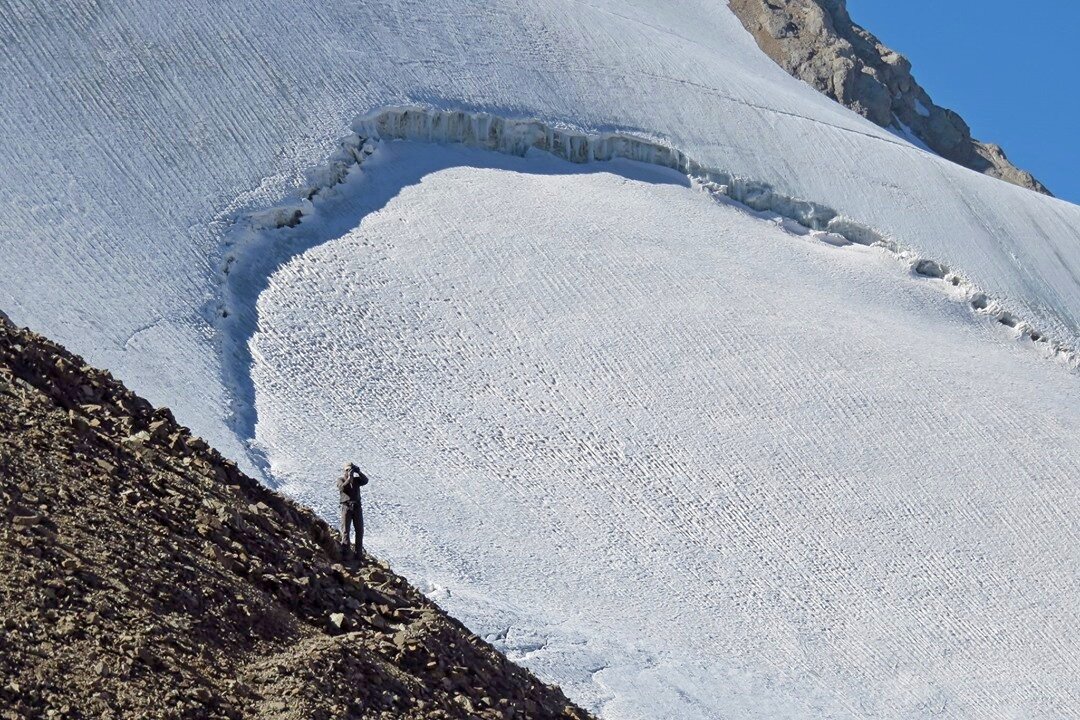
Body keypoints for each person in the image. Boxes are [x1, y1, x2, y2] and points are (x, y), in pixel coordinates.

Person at [338, 462, 368, 557]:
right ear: (344, 471)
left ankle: (358, 553)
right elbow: (343, 488)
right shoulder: (341, 480)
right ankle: (346, 552)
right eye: (347, 470)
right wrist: (348, 478)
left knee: (359, 530)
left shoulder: (356, 480)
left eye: (350, 470)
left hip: (357, 507)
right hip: (346, 507)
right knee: (346, 530)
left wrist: (359, 472)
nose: (349, 472)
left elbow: (365, 481)